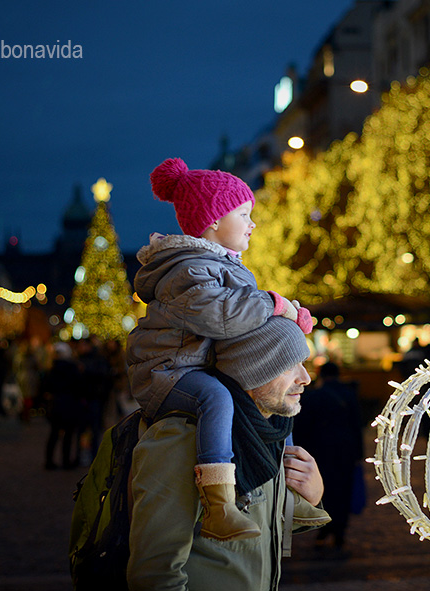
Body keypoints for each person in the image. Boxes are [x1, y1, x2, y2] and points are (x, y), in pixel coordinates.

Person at [127, 157, 312, 541]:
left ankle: (292, 495)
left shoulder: (221, 265)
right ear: (213, 220)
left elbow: (243, 324)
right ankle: (219, 503)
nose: (252, 223)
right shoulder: (189, 269)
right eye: (243, 214)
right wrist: (276, 304)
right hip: (168, 372)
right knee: (218, 399)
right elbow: (221, 318)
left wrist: (291, 317)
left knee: (277, 409)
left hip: (194, 363)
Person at [128, 316, 328, 590]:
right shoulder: (184, 439)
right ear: (252, 369)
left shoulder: (269, 433)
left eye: (303, 364)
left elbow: (261, 532)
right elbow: (154, 575)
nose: (305, 378)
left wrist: (312, 495)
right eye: (289, 365)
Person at [293, 362, 363, 554]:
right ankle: (340, 530)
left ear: (321, 375)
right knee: (343, 490)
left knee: (324, 491)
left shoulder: (314, 396)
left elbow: (303, 427)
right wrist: (359, 454)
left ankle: (324, 529)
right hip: (345, 451)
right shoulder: (348, 394)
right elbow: (356, 425)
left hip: (320, 452)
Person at [42, 342, 82, 470]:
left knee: (54, 433)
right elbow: (78, 386)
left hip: (56, 403)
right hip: (70, 403)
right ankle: (66, 461)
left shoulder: (52, 369)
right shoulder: (73, 368)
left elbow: (46, 386)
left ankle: (49, 461)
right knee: (68, 434)